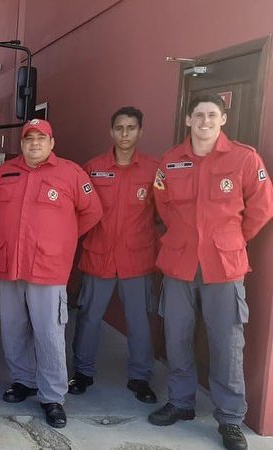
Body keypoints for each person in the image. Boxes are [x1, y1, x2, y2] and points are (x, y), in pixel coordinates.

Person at [147, 94, 273, 450]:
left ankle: (230, 418)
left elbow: (262, 208)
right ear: (188, 120)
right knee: (177, 336)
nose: (205, 121)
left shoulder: (245, 159)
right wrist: (187, 239)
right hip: (179, 263)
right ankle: (181, 402)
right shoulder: (170, 161)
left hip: (225, 267)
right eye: (199, 115)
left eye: (212, 115)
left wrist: (231, 240)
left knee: (227, 343)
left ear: (223, 120)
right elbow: (164, 205)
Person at [0, 119, 102, 429]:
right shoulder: (6, 171)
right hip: (10, 264)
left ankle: (52, 396)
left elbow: (93, 211)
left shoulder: (70, 173)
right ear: (22, 143)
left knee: (49, 333)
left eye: (42, 139)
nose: (35, 144)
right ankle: (22, 380)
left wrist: (63, 239)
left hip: (48, 268)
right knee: (13, 328)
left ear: (52, 143)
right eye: (29, 139)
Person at [69, 107, 159, 403]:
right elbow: (79, 208)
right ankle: (82, 373)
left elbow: (163, 211)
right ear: (111, 131)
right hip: (99, 256)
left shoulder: (152, 170)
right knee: (89, 318)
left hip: (137, 259)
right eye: (119, 128)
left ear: (140, 132)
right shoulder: (93, 168)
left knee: (139, 321)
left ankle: (140, 378)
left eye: (131, 128)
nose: (124, 134)